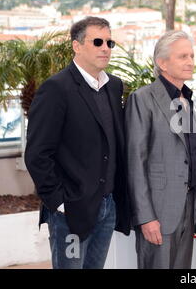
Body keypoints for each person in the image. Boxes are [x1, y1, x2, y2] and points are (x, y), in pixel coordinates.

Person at [25, 16, 131, 269]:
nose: (105, 48)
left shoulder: (113, 86)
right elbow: (37, 153)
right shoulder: (56, 89)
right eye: (97, 42)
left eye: (109, 42)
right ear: (77, 46)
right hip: (70, 213)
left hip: (107, 207)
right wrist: (60, 203)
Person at [125, 30, 196, 269]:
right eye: (183, 56)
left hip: (188, 208)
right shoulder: (142, 99)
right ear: (162, 63)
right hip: (159, 212)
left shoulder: (188, 101)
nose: (191, 62)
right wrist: (146, 217)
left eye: (192, 55)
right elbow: (135, 162)